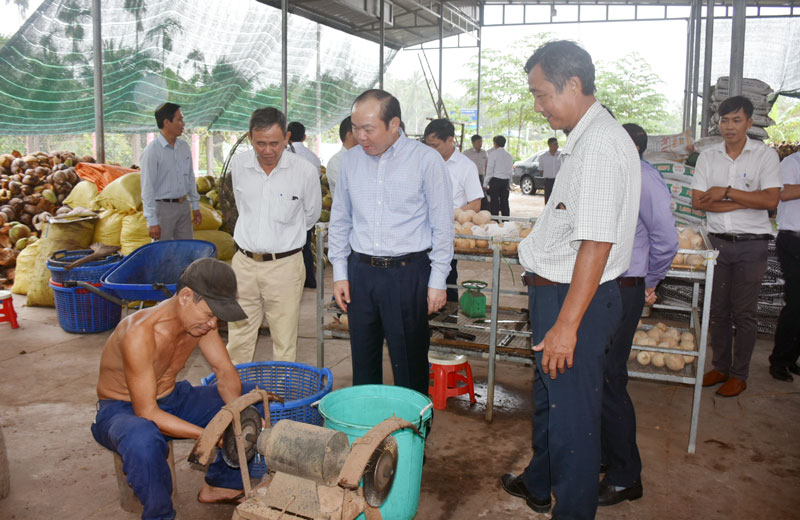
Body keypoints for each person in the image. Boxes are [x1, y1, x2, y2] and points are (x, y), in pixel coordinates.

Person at [500, 40, 640, 520]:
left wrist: (566, 325)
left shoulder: (599, 146)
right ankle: (539, 484)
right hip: (557, 293)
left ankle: (573, 510)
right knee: (549, 404)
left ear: (573, 85)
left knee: (573, 423)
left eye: (542, 95)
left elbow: (596, 244)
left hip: (571, 299)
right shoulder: (586, 138)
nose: (538, 106)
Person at [91, 258, 253, 520]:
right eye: (210, 315)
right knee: (142, 440)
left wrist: (234, 417)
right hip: (123, 411)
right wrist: (209, 434)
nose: (213, 324)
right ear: (186, 297)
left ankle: (223, 484)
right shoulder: (139, 334)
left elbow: (225, 373)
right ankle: (160, 515)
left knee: (248, 398)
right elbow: (146, 412)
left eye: (216, 318)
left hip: (171, 397)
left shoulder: (199, 325)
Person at [328, 89, 453, 395]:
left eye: (368, 129)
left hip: (407, 274)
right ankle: (369, 433)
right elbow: (340, 219)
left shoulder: (425, 161)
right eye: (355, 128)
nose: (360, 136)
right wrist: (340, 273)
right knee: (364, 361)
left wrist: (438, 280)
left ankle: (413, 433)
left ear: (394, 123)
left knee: (409, 362)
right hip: (362, 273)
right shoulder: (350, 162)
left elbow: (442, 225)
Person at [599, 123, 679, 507]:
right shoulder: (611, 174)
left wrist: (650, 279)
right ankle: (607, 455)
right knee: (599, 375)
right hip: (604, 285)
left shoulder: (645, 179)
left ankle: (625, 475)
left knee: (611, 378)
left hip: (625, 285)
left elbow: (666, 239)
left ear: (632, 147)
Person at [691, 95, 781, 397]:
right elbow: (698, 201)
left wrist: (724, 193)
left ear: (750, 123)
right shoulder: (708, 157)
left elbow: (770, 201)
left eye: (736, 120)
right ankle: (721, 366)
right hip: (717, 245)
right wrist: (745, 199)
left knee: (744, 313)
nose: (729, 126)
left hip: (751, 247)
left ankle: (739, 374)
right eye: (724, 120)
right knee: (716, 311)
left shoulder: (764, 156)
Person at [225, 108, 322, 365]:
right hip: (243, 264)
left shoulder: (304, 172)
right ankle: (236, 397)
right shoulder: (240, 165)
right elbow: (242, 206)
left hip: (285, 266)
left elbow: (310, 216)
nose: (267, 150)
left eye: (274, 143)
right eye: (260, 143)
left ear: (287, 137)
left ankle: (281, 399)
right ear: (250, 138)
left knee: (284, 339)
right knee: (239, 337)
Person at [424, 118, 484, 302]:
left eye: (435, 145)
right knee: (419, 281)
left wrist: (449, 214)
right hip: (421, 235)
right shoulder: (424, 162)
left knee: (446, 280)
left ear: (450, 140)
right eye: (428, 145)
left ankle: (449, 327)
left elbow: (475, 204)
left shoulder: (466, 167)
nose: (430, 150)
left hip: (446, 235)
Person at [140, 102, 202, 241]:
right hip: (163, 209)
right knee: (162, 254)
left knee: (186, 251)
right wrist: (152, 221)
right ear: (167, 122)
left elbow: (190, 178)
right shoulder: (152, 151)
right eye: (179, 119)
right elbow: (147, 188)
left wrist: (195, 206)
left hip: (183, 206)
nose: (183, 123)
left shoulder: (184, 147)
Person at [768, 150, 800, 381]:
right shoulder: (792, 162)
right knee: (796, 302)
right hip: (793, 240)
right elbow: (784, 193)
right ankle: (779, 360)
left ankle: (791, 358)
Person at [288, 121, 322, 288]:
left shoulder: (284, 155)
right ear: (304, 136)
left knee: (288, 248)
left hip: (288, 208)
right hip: (307, 208)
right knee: (305, 246)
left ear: (287, 136)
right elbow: (317, 182)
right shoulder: (313, 157)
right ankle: (310, 279)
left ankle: (293, 282)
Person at [326, 116, 358, 196]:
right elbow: (353, 192)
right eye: (360, 131)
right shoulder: (335, 162)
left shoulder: (368, 158)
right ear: (350, 135)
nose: (365, 136)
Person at [484, 135, 513, 216]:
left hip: (495, 181)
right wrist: (509, 183)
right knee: (505, 202)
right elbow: (510, 172)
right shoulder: (509, 156)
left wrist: (485, 184)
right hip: (505, 181)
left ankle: (495, 221)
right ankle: (506, 221)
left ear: (495, 143)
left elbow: (489, 171)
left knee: (494, 202)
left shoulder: (493, 154)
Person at [538, 137, 561, 204]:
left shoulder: (561, 156)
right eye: (555, 144)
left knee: (558, 201)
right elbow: (541, 170)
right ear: (550, 145)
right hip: (548, 182)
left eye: (557, 144)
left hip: (558, 182)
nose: (557, 146)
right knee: (548, 201)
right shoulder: (543, 157)